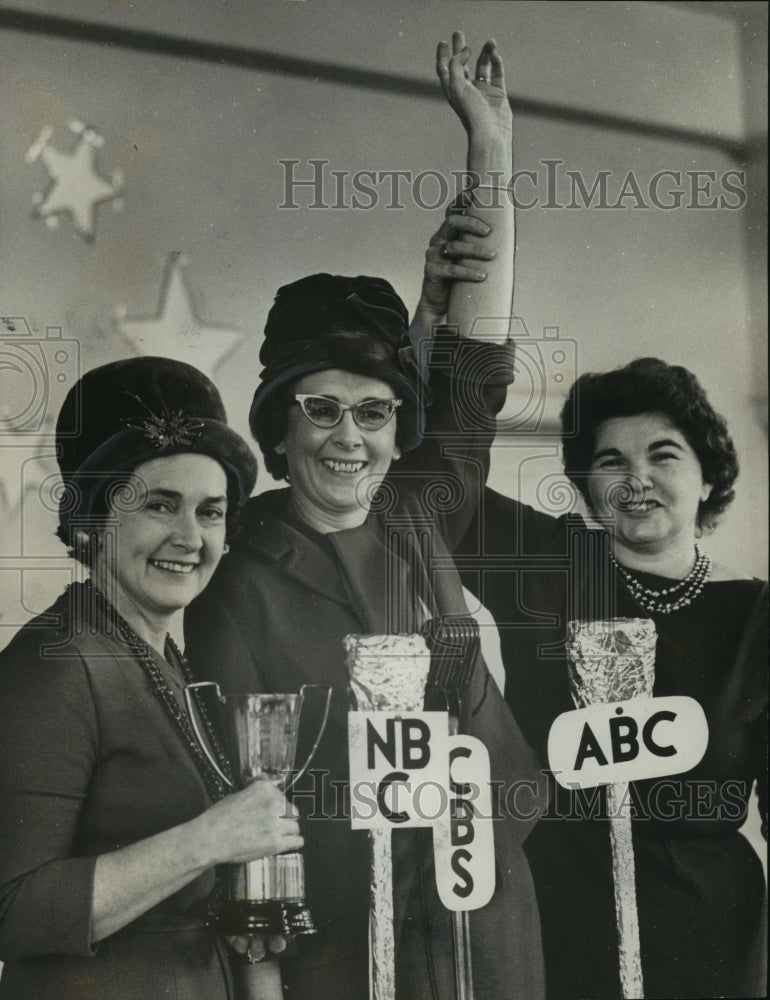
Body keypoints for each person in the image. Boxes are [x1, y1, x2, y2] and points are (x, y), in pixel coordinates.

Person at [186, 33, 547, 1000]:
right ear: (276, 424)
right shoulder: (230, 574)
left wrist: (492, 153)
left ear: (400, 429)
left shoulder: (417, 511)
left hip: (485, 922)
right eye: (321, 408)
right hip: (344, 948)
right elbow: (242, 816)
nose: (350, 437)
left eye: (375, 411)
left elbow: (472, 369)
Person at [457, 356, 768, 999]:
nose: (637, 479)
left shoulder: (758, 615)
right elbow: (439, 485)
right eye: (610, 462)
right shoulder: (548, 562)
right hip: (558, 918)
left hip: (708, 932)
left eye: (664, 456)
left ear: (708, 478)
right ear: (584, 484)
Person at [0, 357, 302, 1000]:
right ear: (93, 520)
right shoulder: (55, 663)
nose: (190, 537)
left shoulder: (159, 654)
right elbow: (12, 910)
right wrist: (207, 840)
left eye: (211, 511)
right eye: (160, 505)